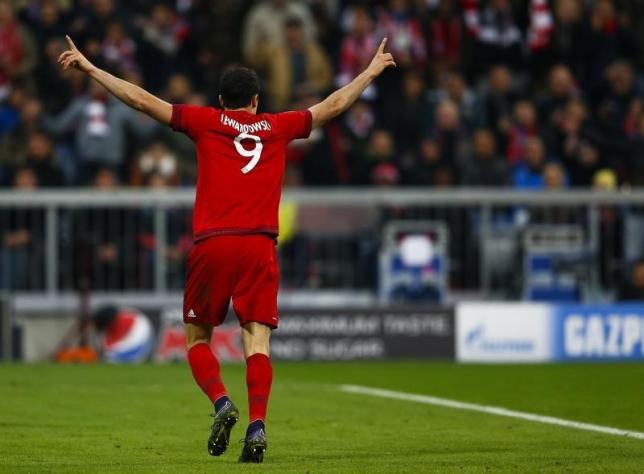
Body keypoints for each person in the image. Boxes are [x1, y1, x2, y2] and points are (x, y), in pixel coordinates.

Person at [57, 34, 395, 463]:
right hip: (257, 246)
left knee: (198, 338)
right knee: (258, 342)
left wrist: (91, 68)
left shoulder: (205, 121)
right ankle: (257, 424)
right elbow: (331, 106)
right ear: (255, 100)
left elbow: (141, 100)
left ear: (221, 101)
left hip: (212, 245)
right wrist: (369, 70)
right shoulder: (277, 126)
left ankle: (221, 402)